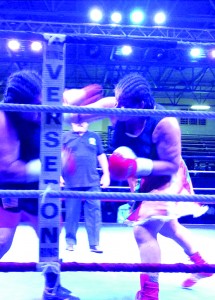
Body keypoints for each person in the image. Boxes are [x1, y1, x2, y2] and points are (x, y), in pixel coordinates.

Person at [63, 73, 212, 300]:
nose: (117, 107)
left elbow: (171, 166)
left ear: (141, 104)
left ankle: (150, 294)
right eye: (116, 100)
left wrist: (135, 166)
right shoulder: (115, 108)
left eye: (123, 104)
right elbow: (73, 117)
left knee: (143, 229)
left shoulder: (165, 122)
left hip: (166, 176)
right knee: (167, 227)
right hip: (139, 177)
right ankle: (203, 266)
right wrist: (75, 98)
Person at [0, 69, 102, 300]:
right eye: (35, 105)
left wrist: (110, 105)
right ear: (20, 104)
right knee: (2, 240)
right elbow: (8, 169)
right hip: (10, 188)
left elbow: (72, 104)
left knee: (51, 240)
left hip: (41, 188)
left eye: (42, 101)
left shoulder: (44, 106)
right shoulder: (4, 119)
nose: (40, 109)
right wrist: (53, 162)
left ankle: (52, 289)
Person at [61, 121, 110, 253]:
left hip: (92, 182)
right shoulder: (65, 137)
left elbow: (101, 156)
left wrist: (106, 174)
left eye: (83, 120)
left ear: (88, 122)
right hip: (71, 182)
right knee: (71, 214)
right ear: (71, 123)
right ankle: (70, 242)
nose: (80, 123)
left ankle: (94, 244)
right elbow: (58, 157)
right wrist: (58, 176)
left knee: (94, 214)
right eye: (77, 121)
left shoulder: (95, 136)